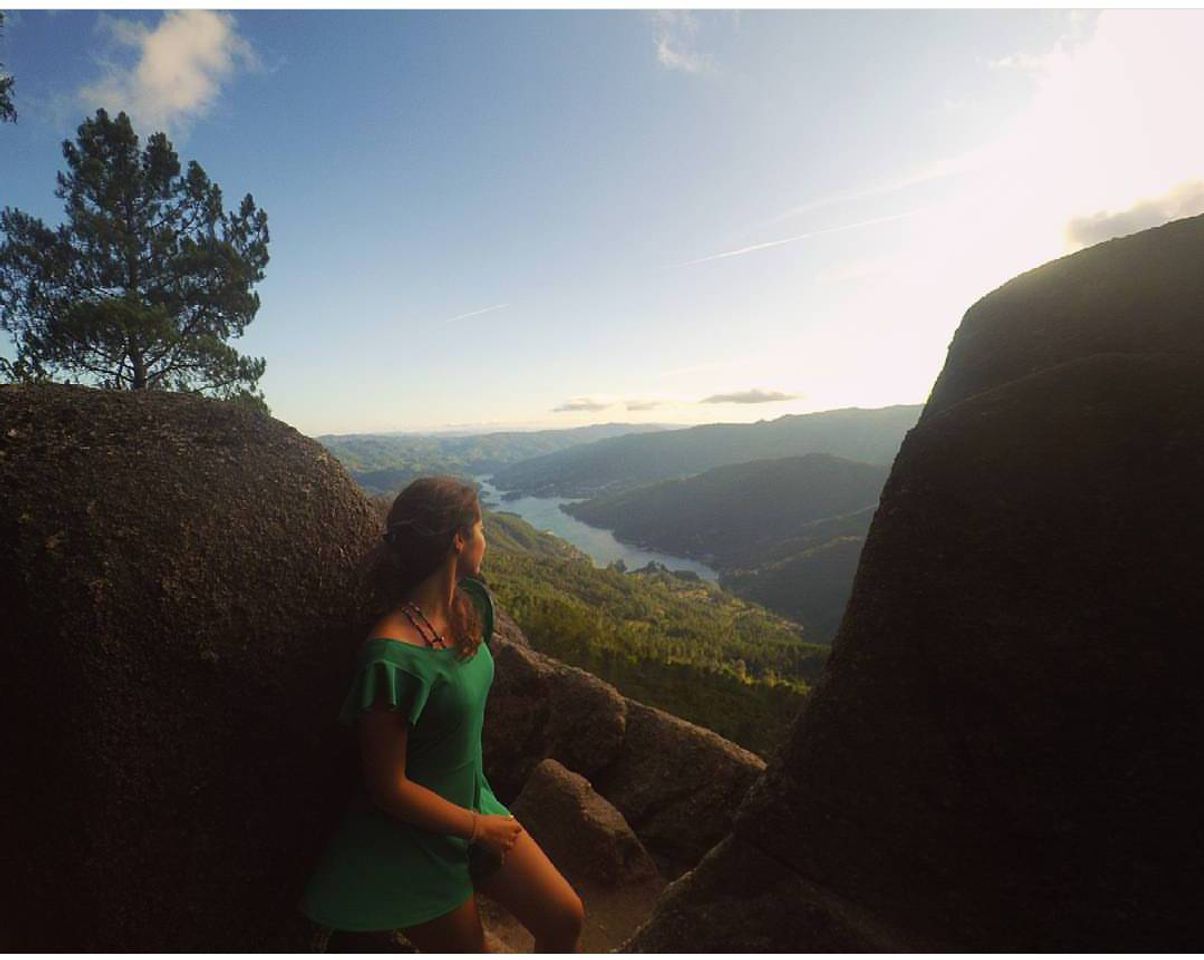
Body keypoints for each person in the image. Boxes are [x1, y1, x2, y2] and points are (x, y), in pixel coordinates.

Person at [300, 476, 585, 952]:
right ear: (458, 539)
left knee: (565, 917)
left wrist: (481, 818)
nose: (485, 540)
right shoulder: (391, 658)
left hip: (475, 801)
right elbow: (386, 787)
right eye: (480, 529)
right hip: (416, 840)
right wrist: (478, 829)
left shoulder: (467, 611)